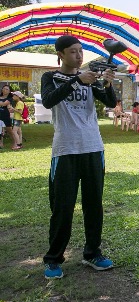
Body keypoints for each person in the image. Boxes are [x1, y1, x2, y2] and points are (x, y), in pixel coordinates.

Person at [41, 35, 117, 279]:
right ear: (60, 55)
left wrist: (106, 84)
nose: (79, 55)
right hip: (65, 150)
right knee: (62, 207)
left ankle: (92, 253)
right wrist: (76, 81)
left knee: (94, 204)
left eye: (80, 51)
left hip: (93, 147)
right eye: (73, 51)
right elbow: (49, 100)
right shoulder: (50, 77)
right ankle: (53, 259)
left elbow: (111, 102)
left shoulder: (89, 78)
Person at [0, 84, 14, 149]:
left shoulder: (10, 98)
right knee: (0, 130)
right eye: (4, 88)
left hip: (5, 116)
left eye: (6, 89)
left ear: (9, 91)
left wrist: (2, 104)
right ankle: (1, 143)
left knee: (9, 130)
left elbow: (4, 104)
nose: (4, 90)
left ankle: (15, 142)